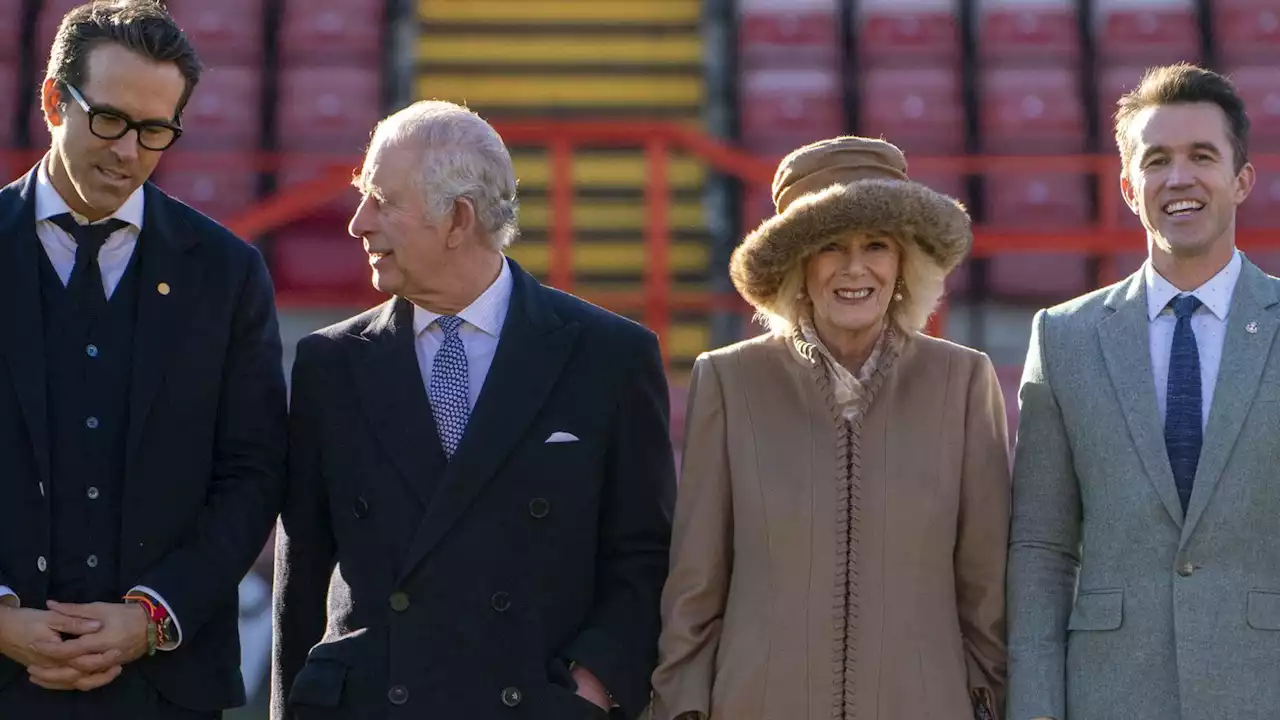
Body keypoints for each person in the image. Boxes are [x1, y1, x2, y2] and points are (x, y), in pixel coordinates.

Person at [271, 100, 677, 720]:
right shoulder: (329, 363)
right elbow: (301, 573)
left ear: (458, 219)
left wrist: (592, 687)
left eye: (383, 200)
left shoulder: (611, 357)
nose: (357, 223)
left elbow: (642, 554)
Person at [648, 136, 1010, 720]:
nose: (855, 268)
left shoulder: (963, 382)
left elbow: (987, 588)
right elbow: (696, 582)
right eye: (830, 247)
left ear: (903, 264)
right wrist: (681, 706)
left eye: (876, 246)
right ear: (798, 264)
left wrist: (990, 702)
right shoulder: (728, 380)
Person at [0, 1, 288, 718]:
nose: (128, 151)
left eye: (155, 130)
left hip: (167, 687)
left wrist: (153, 616)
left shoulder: (228, 273)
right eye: (110, 120)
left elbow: (253, 472)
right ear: (51, 101)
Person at [1006, 63, 1278, 720]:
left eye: (1201, 156)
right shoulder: (1064, 337)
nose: (1178, 178)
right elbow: (1041, 546)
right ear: (1130, 188)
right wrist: (1036, 707)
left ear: (1241, 180)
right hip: (1110, 695)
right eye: (1156, 161)